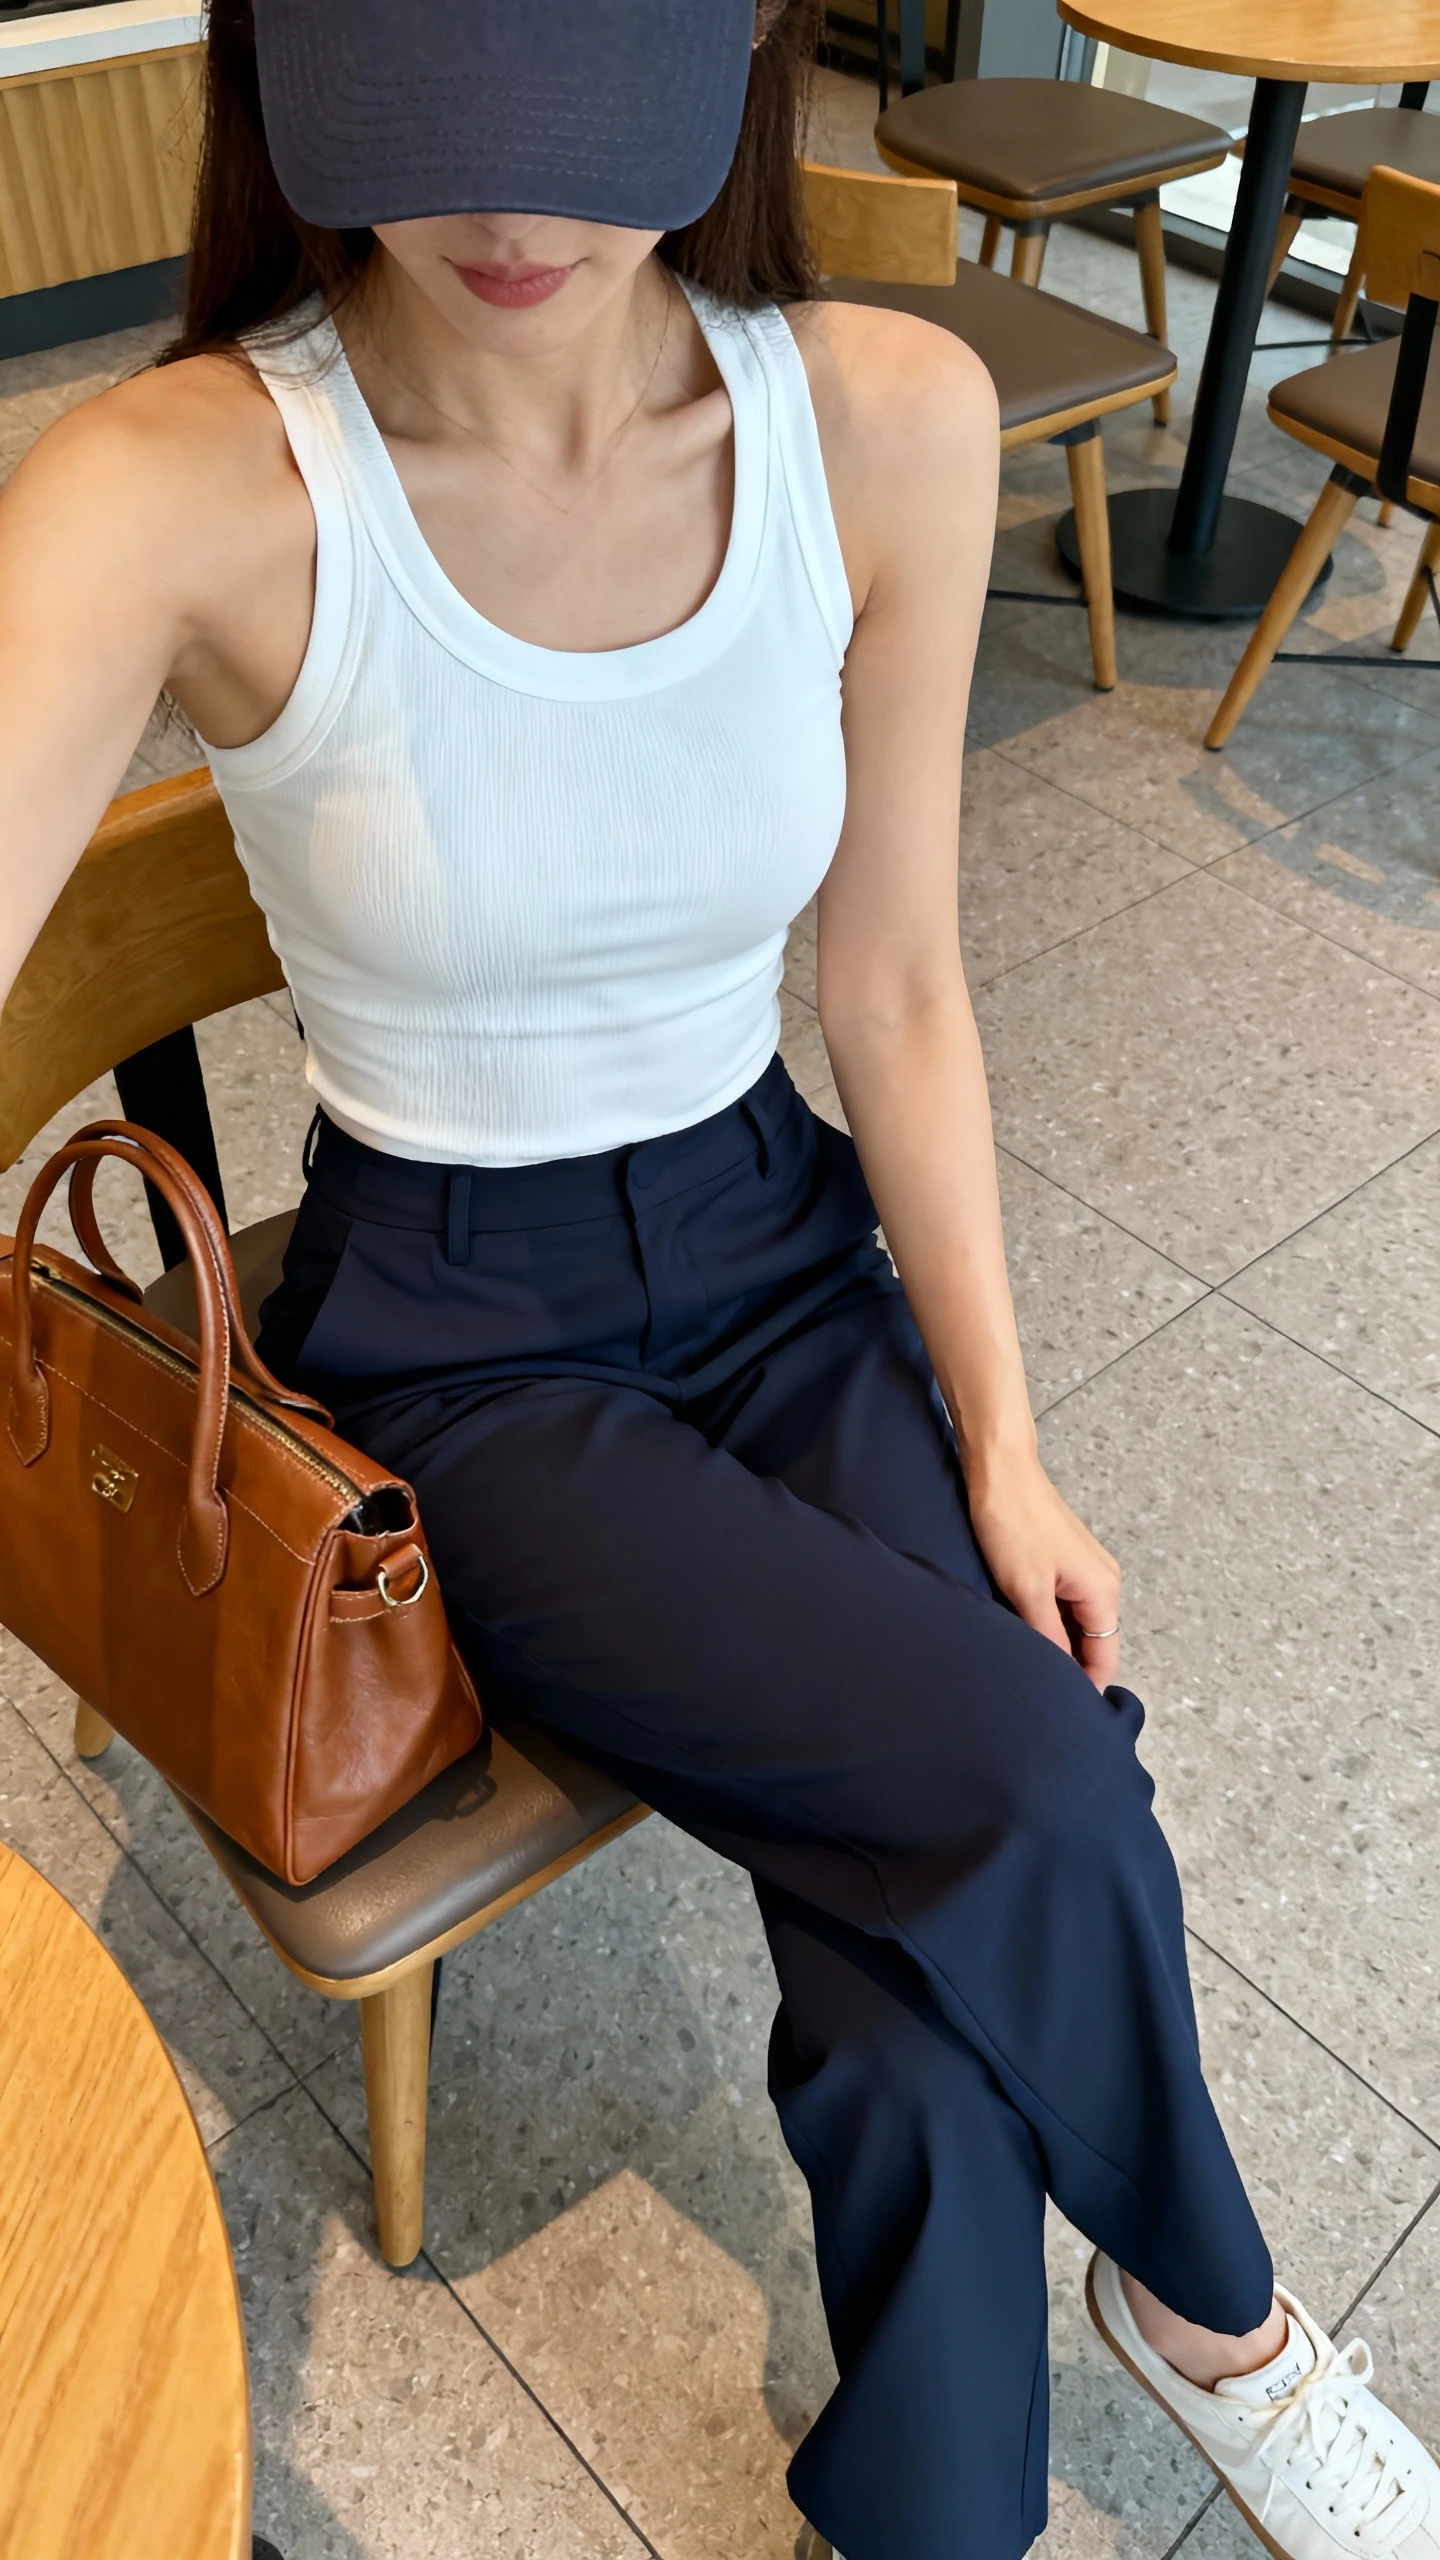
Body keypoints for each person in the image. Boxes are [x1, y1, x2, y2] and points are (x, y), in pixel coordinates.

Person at [0, 5, 1434, 2556]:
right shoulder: (182, 479)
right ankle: (1223, 2320)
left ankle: (928, 2520)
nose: (518, 217)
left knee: (947, 1933)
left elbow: (890, 990)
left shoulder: (869, 411)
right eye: (436, 126)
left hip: (787, 1241)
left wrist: (1006, 1433)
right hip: (467, 1332)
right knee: (1025, 1780)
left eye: (581, 129)